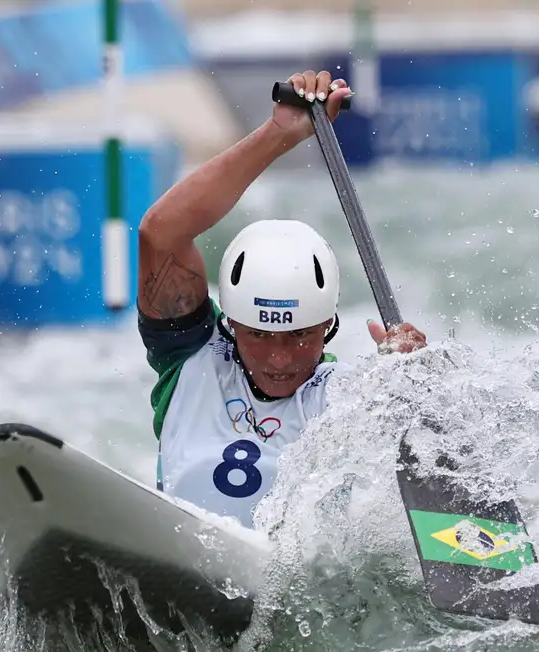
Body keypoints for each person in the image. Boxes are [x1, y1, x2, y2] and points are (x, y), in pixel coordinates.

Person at [136, 70, 428, 528]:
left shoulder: (347, 398)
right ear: (230, 324)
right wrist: (280, 134)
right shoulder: (189, 358)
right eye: (258, 335)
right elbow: (162, 232)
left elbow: (416, 437)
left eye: (299, 336)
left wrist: (413, 383)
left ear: (327, 325)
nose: (278, 358)